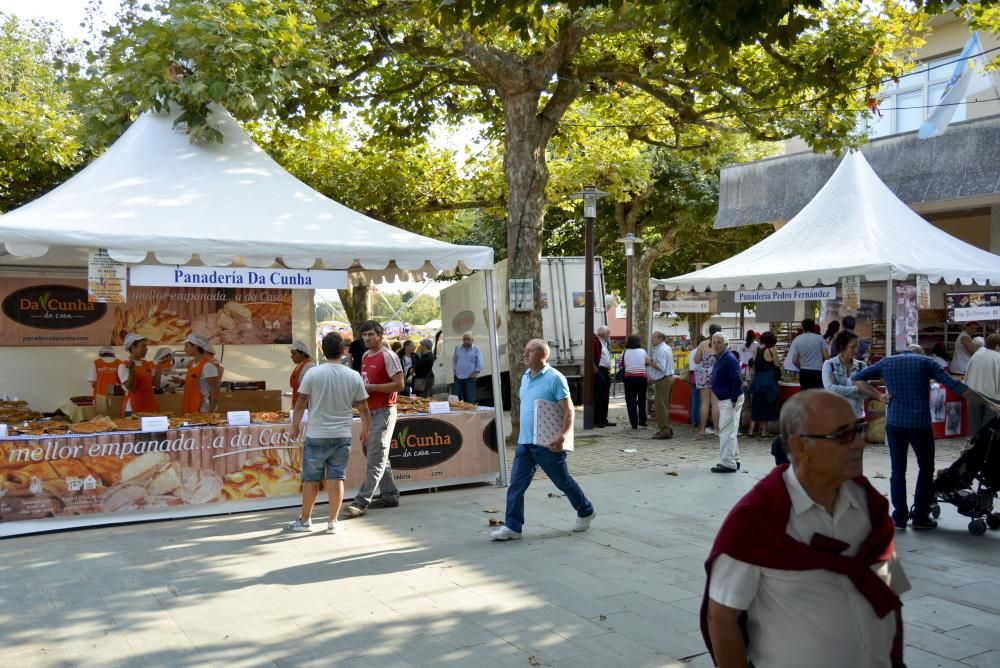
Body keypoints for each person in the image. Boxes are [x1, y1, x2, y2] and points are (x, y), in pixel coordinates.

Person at [703, 390, 909, 668]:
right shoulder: (755, 520)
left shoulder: (870, 506)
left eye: (859, 429)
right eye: (843, 435)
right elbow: (722, 618)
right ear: (799, 447)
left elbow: (889, 591)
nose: (860, 442)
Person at [853, 347, 1000, 529]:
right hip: (919, 425)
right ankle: (920, 516)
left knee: (897, 471)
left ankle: (899, 517)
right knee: (925, 468)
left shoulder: (886, 362)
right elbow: (958, 387)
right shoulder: (927, 362)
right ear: (921, 353)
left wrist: (879, 395)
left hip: (894, 424)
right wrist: (990, 404)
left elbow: (857, 378)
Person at [491, 339, 596, 541]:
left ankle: (586, 510)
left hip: (548, 443)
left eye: (529, 351)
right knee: (516, 485)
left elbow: (569, 410)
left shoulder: (555, 378)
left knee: (563, 482)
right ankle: (512, 526)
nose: (524, 354)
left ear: (542, 355)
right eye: (525, 351)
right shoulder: (525, 377)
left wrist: (563, 436)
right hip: (525, 442)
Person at [287, 332, 370, 535]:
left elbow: (301, 402)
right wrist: (366, 429)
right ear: (343, 350)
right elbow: (363, 407)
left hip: (316, 435)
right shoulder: (353, 375)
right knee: (337, 478)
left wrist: (295, 425)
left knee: (311, 480)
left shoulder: (313, 374)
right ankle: (333, 521)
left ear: (322, 351)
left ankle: (305, 520)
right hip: (342, 435)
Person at [343, 320, 404, 517]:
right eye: (365, 335)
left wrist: (372, 388)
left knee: (375, 457)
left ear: (380, 335)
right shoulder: (365, 355)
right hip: (370, 411)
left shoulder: (389, 356)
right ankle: (390, 495)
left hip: (385, 411)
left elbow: (399, 384)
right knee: (375, 454)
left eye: (371, 334)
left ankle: (361, 502)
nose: (368, 338)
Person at [822, 331, 884, 418]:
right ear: (842, 347)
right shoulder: (830, 364)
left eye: (857, 346)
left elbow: (866, 393)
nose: (856, 350)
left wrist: (837, 387)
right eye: (852, 347)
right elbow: (830, 389)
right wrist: (858, 389)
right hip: (836, 417)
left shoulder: (861, 365)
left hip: (857, 416)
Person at [710, 332, 743, 473]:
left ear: (725, 344)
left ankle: (728, 463)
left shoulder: (728, 358)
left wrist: (734, 398)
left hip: (730, 398)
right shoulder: (723, 357)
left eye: (719, 342)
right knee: (730, 430)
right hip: (728, 397)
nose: (716, 345)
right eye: (714, 342)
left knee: (726, 431)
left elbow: (736, 379)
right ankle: (734, 459)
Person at [964, 332, 1000, 435]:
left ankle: (973, 445)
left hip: (973, 393)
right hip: (992, 396)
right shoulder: (998, 357)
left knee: (975, 424)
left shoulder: (977, 354)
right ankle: (984, 449)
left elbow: (968, 371)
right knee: (988, 426)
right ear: (997, 345)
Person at [748, 331, 781, 438]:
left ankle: (751, 431)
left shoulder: (756, 350)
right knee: (767, 406)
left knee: (757, 405)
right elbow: (777, 364)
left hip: (758, 381)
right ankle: (764, 431)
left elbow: (754, 367)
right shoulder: (771, 350)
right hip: (769, 382)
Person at [118, 333, 161, 415]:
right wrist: (132, 370)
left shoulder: (146, 364)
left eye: (146, 346)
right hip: (133, 408)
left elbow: (156, 383)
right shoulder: (124, 365)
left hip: (150, 406)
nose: (146, 349)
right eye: (143, 346)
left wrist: (159, 368)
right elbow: (131, 388)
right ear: (133, 347)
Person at [693, 324, 722, 436]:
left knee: (704, 403)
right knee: (715, 403)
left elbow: (696, 360)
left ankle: (701, 430)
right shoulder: (722, 344)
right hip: (717, 374)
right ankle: (716, 430)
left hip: (704, 373)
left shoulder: (703, 344)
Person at [181, 333, 220, 414]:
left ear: (195, 346)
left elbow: (214, 392)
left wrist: (210, 414)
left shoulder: (208, 366)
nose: (184, 349)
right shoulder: (191, 364)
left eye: (186, 346)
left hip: (202, 409)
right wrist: (181, 382)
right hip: (190, 405)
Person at [648, 330, 675, 439]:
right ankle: (667, 428)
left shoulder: (661, 350)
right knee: (664, 405)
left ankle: (664, 430)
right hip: (667, 378)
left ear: (660, 338)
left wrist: (650, 363)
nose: (652, 339)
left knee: (661, 406)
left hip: (663, 380)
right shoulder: (666, 348)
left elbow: (661, 367)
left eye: (654, 337)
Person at [618, 334, 649, 429]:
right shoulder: (643, 351)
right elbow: (648, 362)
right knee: (642, 399)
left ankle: (634, 423)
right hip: (642, 378)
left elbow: (620, 364)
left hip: (629, 379)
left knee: (630, 401)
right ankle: (642, 420)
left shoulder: (624, 352)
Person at [788, 318, 828, 389]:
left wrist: (802, 366)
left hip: (804, 372)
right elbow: (827, 357)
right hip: (818, 371)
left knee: (805, 396)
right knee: (817, 395)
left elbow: (794, 360)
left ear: (802, 327)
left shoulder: (797, 339)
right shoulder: (820, 338)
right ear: (813, 327)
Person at [452, 331, 483, 404]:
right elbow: (454, 360)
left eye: (468, 339)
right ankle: (461, 413)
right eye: (464, 339)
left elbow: (480, 363)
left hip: (470, 377)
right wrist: (454, 370)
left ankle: (470, 413)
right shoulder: (457, 348)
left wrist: (475, 373)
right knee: (459, 397)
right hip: (458, 377)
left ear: (472, 340)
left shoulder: (476, 349)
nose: (466, 341)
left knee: (469, 397)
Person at [592, 326, 614, 428]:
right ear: (603, 334)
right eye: (608, 333)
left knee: (605, 397)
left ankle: (603, 419)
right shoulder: (596, 341)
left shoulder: (604, 343)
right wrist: (596, 370)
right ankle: (597, 420)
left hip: (605, 370)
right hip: (599, 370)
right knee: (599, 396)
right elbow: (591, 356)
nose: (609, 335)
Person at [288, 339, 316, 408]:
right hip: (298, 406)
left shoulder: (309, 366)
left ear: (303, 354)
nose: (291, 356)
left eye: (294, 354)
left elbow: (307, 392)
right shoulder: (300, 365)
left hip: (304, 408)